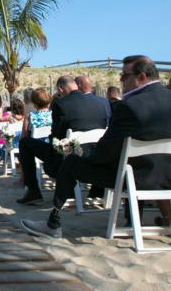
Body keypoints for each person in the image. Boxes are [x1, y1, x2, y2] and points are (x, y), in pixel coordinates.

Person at [21, 55, 171, 239]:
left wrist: (88, 159)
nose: (121, 80)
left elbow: (105, 152)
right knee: (130, 160)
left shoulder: (130, 106)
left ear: (141, 78)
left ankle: (52, 223)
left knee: (72, 164)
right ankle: (133, 220)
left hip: (136, 177)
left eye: (124, 75)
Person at [15, 76, 109, 205]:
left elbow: (57, 136)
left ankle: (33, 191)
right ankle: (96, 191)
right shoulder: (100, 103)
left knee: (25, 143)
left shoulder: (62, 104)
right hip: (97, 157)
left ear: (61, 89)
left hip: (69, 158)